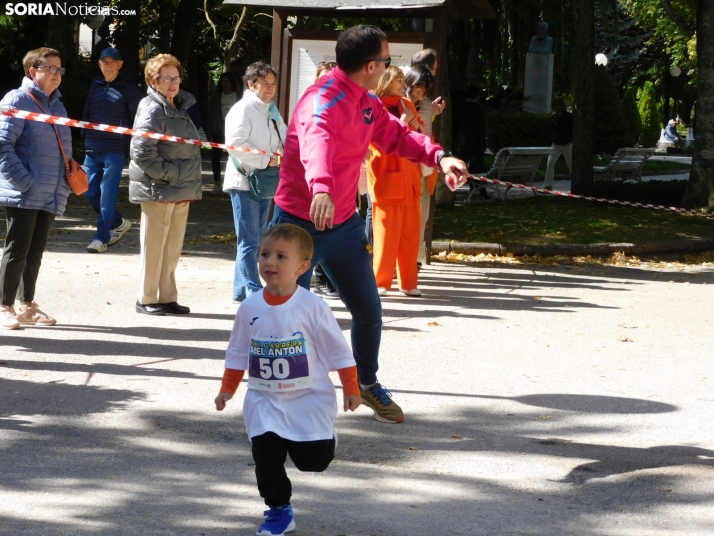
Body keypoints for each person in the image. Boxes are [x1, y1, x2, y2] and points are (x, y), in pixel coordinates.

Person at [270, 24, 469, 423]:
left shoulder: (366, 101)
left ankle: (365, 381)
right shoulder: (320, 100)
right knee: (284, 320)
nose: (387, 66)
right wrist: (322, 187)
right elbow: (316, 143)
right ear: (369, 65)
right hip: (298, 223)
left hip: (341, 225)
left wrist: (440, 156)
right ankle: (281, 402)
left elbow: (397, 136)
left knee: (369, 311)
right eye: (386, 61)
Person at [214, 223, 360, 536]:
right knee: (266, 456)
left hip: (307, 400)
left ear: (302, 267)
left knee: (313, 463)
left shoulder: (312, 307)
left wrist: (351, 387)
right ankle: (279, 510)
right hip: (264, 400)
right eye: (265, 254)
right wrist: (227, 389)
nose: (270, 262)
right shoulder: (250, 307)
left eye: (281, 256)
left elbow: (339, 351)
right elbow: (238, 351)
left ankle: (325, 442)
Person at [0, 47, 71, 329]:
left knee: (36, 250)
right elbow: (3, 145)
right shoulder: (16, 99)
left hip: (51, 190)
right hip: (25, 189)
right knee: (17, 249)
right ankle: (4, 305)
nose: (57, 74)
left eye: (60, 70)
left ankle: (27, 304)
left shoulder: (58, 105)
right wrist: (24, 181)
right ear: (33, 71)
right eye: (50, 68)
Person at [129, 54, 202, 316]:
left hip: (180, 189)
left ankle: (166, 296)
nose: (173, 83)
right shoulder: (151, 107)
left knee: (171, 247)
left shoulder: (179, 107)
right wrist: (171, 174)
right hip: (159, 188)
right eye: (167, 78)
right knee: (154, 246)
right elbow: (141, 151)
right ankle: (146, 297)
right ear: (153, 80)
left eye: (176, 77)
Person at [224, 62, 287, 303]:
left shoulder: (270, 109)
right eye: (265, 83)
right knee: (250, 240)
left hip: (264, 182)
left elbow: (284, 136)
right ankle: (252, 290)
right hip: (244, 181)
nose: (270, 88)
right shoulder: (243, 109)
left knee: (256, 238)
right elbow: (235, 144)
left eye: (273, 83)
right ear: (251, 84)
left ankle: (241, 290)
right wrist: (267, 160)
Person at [367, 65, 424, 297]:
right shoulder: (374, 105)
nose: (403, 84)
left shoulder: (407, 104)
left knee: (410, 232)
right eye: (398, 80)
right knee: (385, 233)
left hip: (409, 176)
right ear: (386, 81)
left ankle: (409, 282)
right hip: (386, 173)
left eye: (403, 80)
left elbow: (419, 135)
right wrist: (402, 121)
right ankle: (380, 281)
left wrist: (414, 125)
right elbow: (378, 139)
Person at [82, 47, 142, 254]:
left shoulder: (130, 88)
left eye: (111, 62)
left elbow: (138, 119)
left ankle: (102, 237)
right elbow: (88, 111)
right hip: (92, 146)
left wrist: (133, 147)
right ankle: (118, 222)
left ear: (120, 64)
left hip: (115, 148)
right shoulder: (95, 84)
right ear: (99, 64)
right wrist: (85, 136)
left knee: (107, 194)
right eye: (103, 62)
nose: (107, 66)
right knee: (88, 190)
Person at [405, 64, 440, 263]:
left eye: (426, 86)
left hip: (419, 168)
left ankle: (413, 260)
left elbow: (424, 136)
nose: (423, 89)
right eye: (419, 84)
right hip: (397, 167)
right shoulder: (396, 102)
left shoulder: (425, 104)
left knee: (419, 215)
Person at [311, 61, 340, 300]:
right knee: (316, 232)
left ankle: (330, 279)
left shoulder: (341, 106)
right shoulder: (311, 105)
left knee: (333, 233)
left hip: (340, 185)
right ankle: (319, 280)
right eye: (323, 77)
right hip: (314, 186)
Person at [206, 72, 239, 195]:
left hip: (234, 131)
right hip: (219, 130)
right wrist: (210, 132)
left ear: (233, 82)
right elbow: (211, 115)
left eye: (228, 81)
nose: (226, 84)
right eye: (224, 81)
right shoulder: (217, 97)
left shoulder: (239, 96)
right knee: (215, 157)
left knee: (234, 157)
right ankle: (217, 184)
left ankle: (232, 184)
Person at [543, 97, 573, 190]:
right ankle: (548, 185)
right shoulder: (553, 117)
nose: (557, 107)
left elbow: (572, 129)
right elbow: (551, 130)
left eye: (558, 105)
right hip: (556, 143)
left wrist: (569, 138)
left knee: (570, 163)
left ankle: (577, 182)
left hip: (566, 143)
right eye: (555, 105)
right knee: (550, 162)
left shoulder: (569, 117)